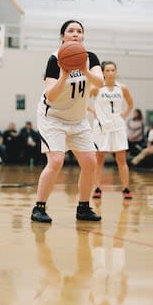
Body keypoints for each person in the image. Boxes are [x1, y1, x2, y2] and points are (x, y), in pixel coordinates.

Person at [30, 20, 104, 224]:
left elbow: (100, 82)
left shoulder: (91, 58)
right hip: (52, 118)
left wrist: (84, 70)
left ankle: (83, 207)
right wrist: (64, 75)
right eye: (71, 31)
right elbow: (51, 95)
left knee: (90, 162)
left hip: (78, 120)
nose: (75, 34)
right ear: (63, 36)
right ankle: (39, 207)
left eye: (79, 31)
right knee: (55, 161)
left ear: (83, 37)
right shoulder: (55, 60)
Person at [89, 61, 134, 200]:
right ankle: (97, 187)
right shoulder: (96, 87)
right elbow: (83, 102)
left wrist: (123, 116)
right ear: (103, 73)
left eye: (113, 70)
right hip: (101, 127)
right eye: (107, 70)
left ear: (116, 72)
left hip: (117, 127)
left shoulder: (123, 88)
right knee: (99, 159)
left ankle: (126, 188)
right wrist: (93, 111)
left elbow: (131, 104)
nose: (110, 73)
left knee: (121, 159)